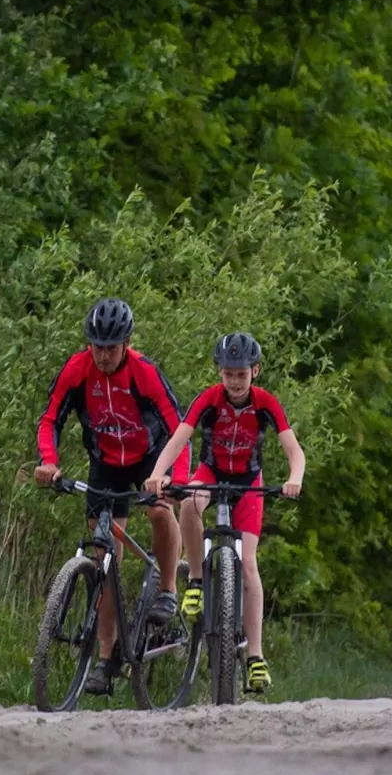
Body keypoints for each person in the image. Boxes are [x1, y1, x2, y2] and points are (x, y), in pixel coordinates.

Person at [35, 297, 189, 695]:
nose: (103, 355)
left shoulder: (144, 373)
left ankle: (169, 588)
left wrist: (174, 478)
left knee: (158, 512)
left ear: (126, 342)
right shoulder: (77, 369)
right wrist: (50, 462)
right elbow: (51, 418)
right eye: (96, 346)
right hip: (105, 461)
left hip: (150, 456)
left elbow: (180, 428)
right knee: (104, 561)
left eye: (111, 347)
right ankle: (105, 659)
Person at [144, 332, 304, 694]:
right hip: (211, 474)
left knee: (248, 564)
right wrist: (157, 474)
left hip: (249, 483)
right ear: (220, 372)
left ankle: (256, 658)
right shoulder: (209, 400)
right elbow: (179, 438)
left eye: (241, 373)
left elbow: (293, 449)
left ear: (255, 371)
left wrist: (295, 478)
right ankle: (197, 581)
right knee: (188, 503)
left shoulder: (265, 403)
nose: (233, 380)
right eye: (228, 373)